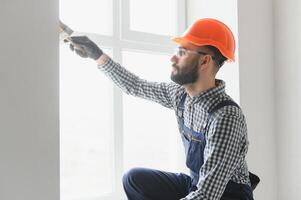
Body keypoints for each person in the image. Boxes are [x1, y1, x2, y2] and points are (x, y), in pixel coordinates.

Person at [67, 18, 259, 200]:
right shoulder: (180, 95)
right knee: (134, 180)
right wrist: (96, 55)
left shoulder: (225, 116)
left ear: (204, 61)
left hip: (225, 195)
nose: (173, 58)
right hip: (198, 184)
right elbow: (134, 85)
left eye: (182, 52)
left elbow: (208, 195)